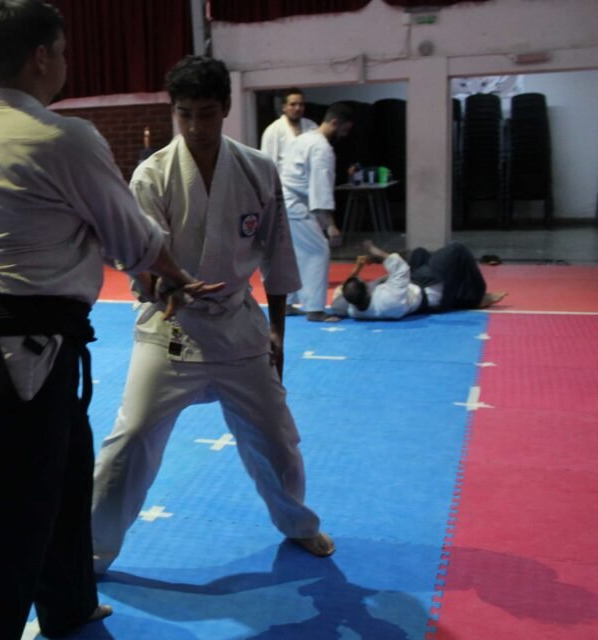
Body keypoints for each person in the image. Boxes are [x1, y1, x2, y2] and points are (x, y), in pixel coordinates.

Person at [0, 3, 218, 638]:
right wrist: (177, 276)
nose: (65, 62)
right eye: (60, 51)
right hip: (21, 352)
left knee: (61, 475)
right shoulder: (63, 137)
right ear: (40, 58)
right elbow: (133, 238)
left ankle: (68, 602)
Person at [91, 56, 336, 579]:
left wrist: (277, 330)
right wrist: (165, 283)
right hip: (171, 327)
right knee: (129, 440)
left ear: (226, 108)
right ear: (173, 112)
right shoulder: (152, 174)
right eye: (185, 115)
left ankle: (297, 523)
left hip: (239, 326)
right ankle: (90, 552)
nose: (196, 127)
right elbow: (140, 260)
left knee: (279, 441)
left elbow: (278, 257)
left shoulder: (256, 169)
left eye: (207, 113)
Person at [279, 102, 354, 322]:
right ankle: (315, 309)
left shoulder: (303, 138)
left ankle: (287, 303)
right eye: (345, 129)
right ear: (335, 122)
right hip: (296, 205)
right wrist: (330, 224)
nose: (344, 134)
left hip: (283, 202)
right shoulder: (321, 148)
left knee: (290, 255)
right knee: (318, 251)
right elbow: (319, 187)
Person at [330, 240, 507, 319]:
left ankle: (460, 294)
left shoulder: (354, 310)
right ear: (367, 290)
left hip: (413, 287)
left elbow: (342, 297)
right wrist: (375, 251)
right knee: (457, 250)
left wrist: (359, 268)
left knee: (419, 253)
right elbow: (400, 269)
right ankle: (476, 296)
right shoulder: (387, 298)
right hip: (428, 292)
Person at [260, 88, 318, 169]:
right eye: (293, 104)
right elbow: (267, 163)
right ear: (284, 107)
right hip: (283, 180)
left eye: (301, 104)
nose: (297, 108)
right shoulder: (273, 130)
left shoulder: (312, 126)